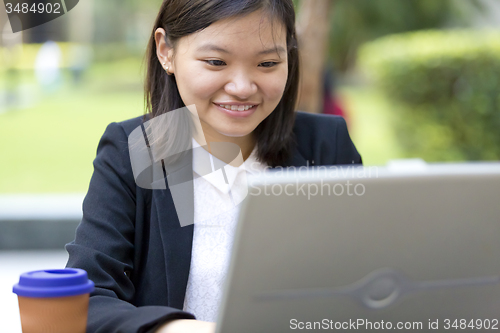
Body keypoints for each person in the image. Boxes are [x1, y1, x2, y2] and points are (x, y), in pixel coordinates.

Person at [65, 1, 362, 332]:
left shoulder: (324, 146)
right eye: (216, 62)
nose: (242, 87)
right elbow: (87, 298)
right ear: (166, 51)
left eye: (267, 63)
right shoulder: (133, 149)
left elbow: (371, 281)